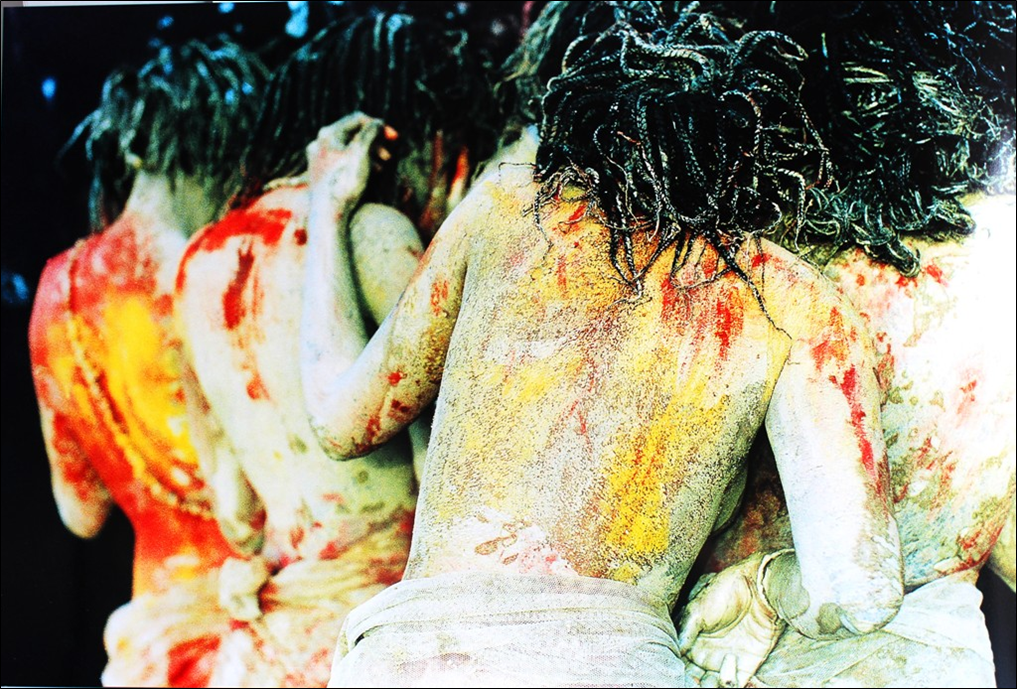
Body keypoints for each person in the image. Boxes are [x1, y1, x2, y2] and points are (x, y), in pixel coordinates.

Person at [299, 4, 904, 686]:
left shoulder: (507, 208)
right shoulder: (797, 301)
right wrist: (763, 585)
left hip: (411, 661)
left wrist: (328, 203)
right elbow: (859, 592)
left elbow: (339, 423)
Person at [679, 2, 1016, 686]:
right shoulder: (1002, 252)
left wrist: (764, 586)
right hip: (938, 661)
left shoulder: (771, 260)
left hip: (751, 655)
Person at [174, 11, 500, 687]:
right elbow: (449, 471)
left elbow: (233, 507)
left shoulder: (200, 260)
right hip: (376, 633)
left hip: (269, 641)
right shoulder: (376, 233)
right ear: (392, 132)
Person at [27, 39, 265, 687]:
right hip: (261, 621)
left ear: (132, 148)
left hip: (153, 642)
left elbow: (81, 512)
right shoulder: (233, 268)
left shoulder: (58, 291)